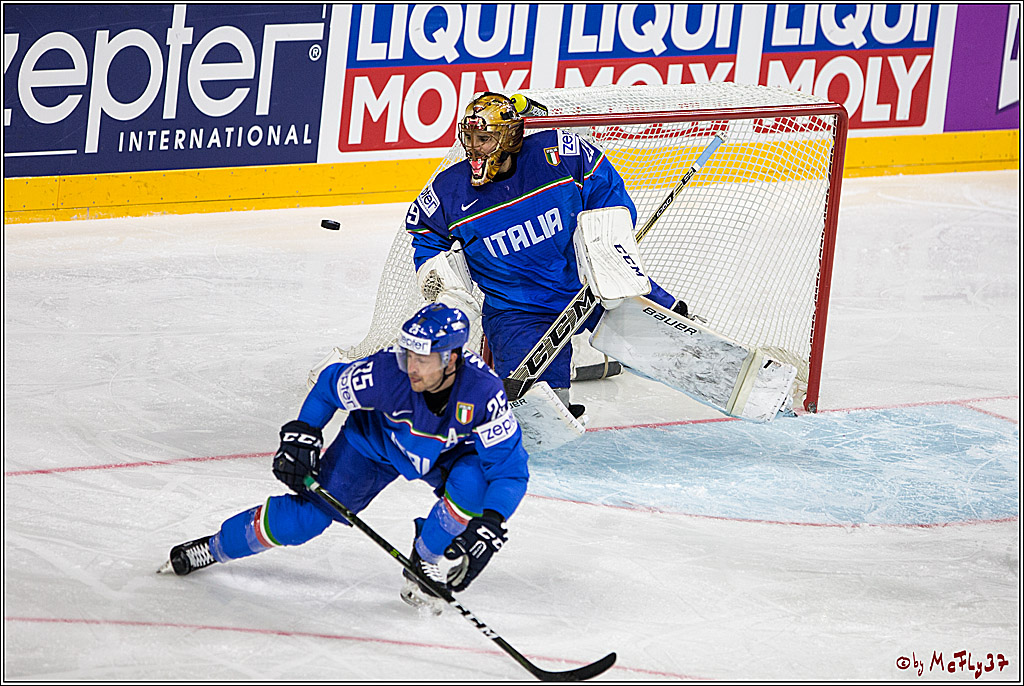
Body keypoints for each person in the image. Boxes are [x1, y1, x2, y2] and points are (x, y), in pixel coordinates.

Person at [160, 304, 530, 613]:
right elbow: (327, 388)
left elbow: (510, 472)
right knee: (304, 521)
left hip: (442, 455)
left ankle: (425, 558)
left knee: (475, 484)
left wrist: (491, 523)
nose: (411, 366)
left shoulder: (484, 393)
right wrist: (303, 432)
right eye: (408, 354)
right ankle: (215, 547)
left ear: (451, 359)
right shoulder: (387, 373)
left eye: (422, 358)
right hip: (373, 447)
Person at [406, 92, 689, 413]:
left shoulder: (557, 153)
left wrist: (606, 245)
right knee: (540, 407)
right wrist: (446, 288)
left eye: (483, 139)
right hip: (517, 310)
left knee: (668, 340)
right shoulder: (448, 190)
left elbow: (604, 187)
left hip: (589, 285)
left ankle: (683, 334)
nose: (473, 148)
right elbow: (425, 239)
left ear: (509, 137)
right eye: (469, 138)